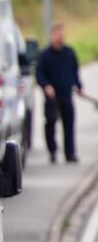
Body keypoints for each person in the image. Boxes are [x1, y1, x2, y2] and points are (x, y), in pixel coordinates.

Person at [36, 23, 84, 163]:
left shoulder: (69, 53)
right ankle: (52, 151)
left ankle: (70, 153)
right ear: (53, 35)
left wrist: (79, 86)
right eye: (58, 34)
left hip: (66, 93)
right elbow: (39, 74)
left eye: (62, 35)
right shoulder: (45, 55)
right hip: (51, 96)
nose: (60, 37)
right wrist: (46, 86)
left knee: (69, 124)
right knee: (50, 122)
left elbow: (75, 72)